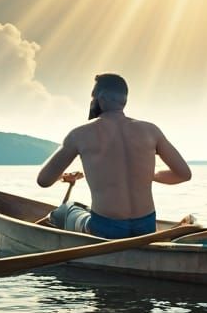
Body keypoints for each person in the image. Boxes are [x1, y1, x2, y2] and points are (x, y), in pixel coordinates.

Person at [37, 72, 192, 238]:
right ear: (124, 100)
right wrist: (148, 175)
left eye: (92, 98)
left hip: (105, 228)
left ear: (100, 99)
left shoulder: (79, 134)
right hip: (145, 226)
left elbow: (44, 181)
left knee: (66, 209)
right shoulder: (151, 130)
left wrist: (65, 177)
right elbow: (183, 174)